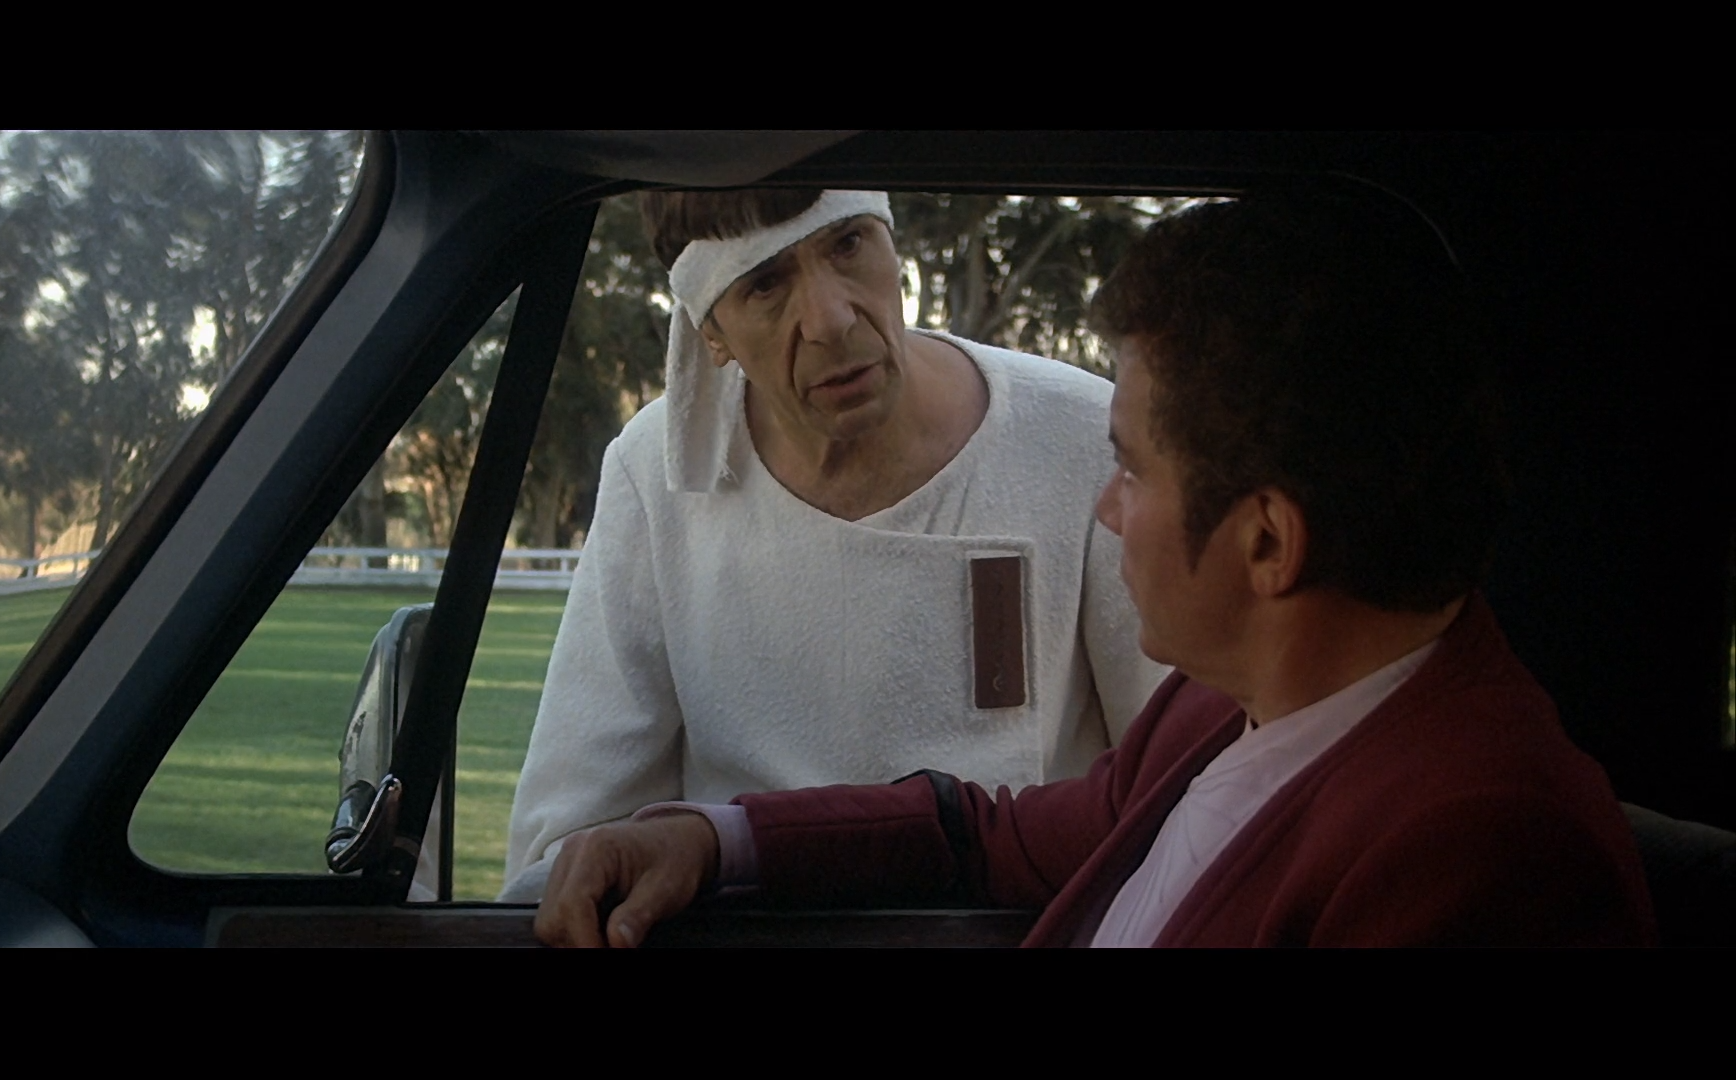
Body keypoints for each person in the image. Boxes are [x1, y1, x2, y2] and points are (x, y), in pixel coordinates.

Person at [532, 190, 1658, 947]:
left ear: (1268, 543)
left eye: (1128, 470)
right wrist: (710, 836)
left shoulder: (1480, 857)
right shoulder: (1235, 719)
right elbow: (992, 832)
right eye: (766, 284)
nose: (1100, 509)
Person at [499, 190, 1169, 900]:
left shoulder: (1080, 437)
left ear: (891, 240)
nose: (831, 319)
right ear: (711, 333)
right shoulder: (657, 475)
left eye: (847, 245)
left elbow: (1175, 794)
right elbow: (576, 841)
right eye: (765, 282)